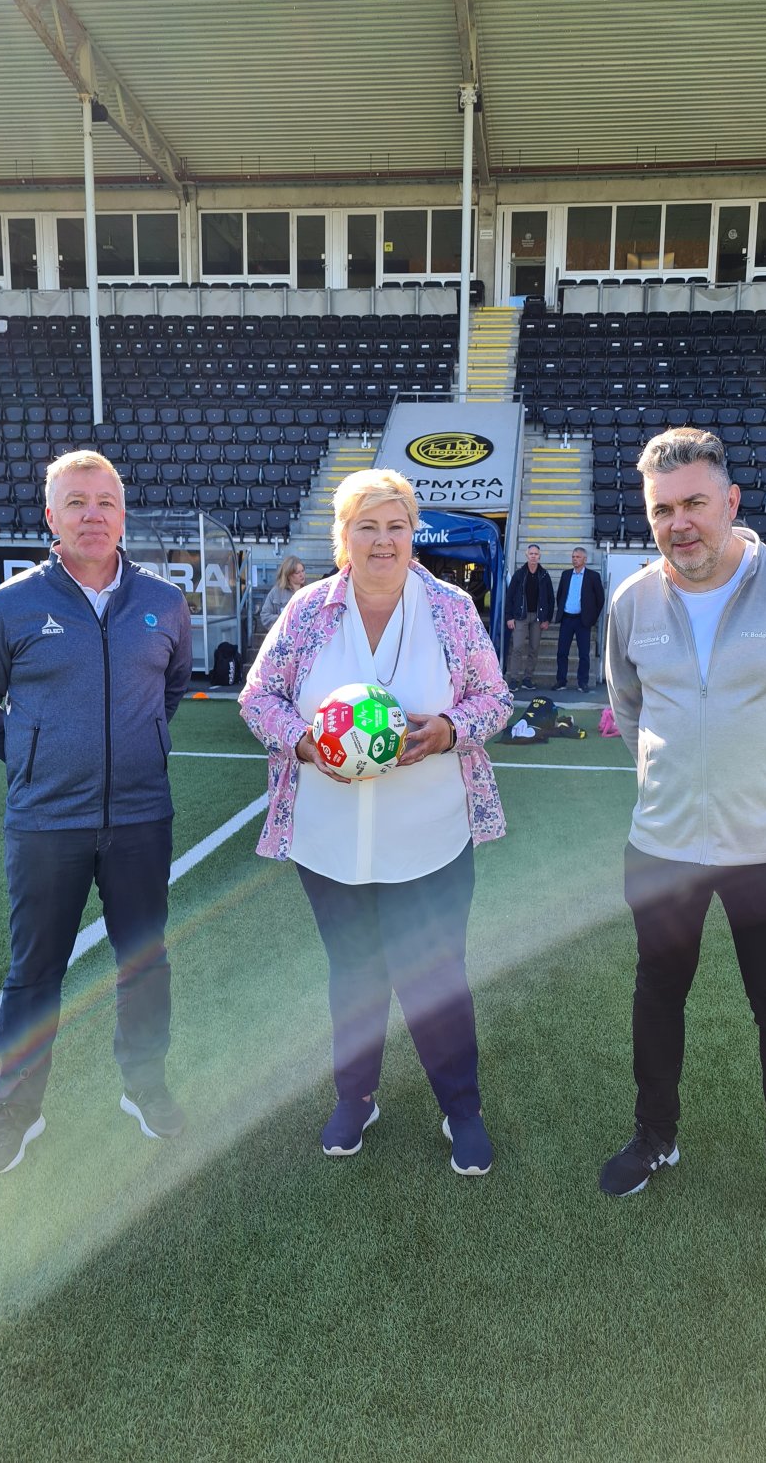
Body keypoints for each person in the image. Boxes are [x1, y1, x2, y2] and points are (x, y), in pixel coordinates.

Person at [602, 427, 766, 1250]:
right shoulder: (633, 600)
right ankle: (656, 1135)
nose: (680, 523)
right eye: (662, 509)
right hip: (665, 843)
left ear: (731, 503)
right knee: (656, 994)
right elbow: (631, 708)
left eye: (695, 504)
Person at [239, 468, 512, 1176]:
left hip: (431, 838)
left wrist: (450, 730)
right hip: (330, 842)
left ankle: (462, 1110)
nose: (383, 540)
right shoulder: (307, 612)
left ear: (412, 535)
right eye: (368, 526)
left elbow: (495, 698)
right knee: (353, 975)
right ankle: (355, 1097)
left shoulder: (450, 609)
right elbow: (258, 697)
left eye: (396, 526)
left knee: (436, 978)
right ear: (343, 539)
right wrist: (301, 740)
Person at [0, 450, 192, 1176]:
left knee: (144, 963)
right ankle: (17, 1112)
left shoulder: (165, 601)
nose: (93, 514)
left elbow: (172, 691)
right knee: (34, 974)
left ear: (123, 514)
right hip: (45, 823)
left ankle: (144, 1087)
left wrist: (133, 752)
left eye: (106, 502)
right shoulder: (11, 605)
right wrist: (37, 760)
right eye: (77, 502)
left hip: (142, 819)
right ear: (49, 517)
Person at [553, 546, 604, 693]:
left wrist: (591, 618)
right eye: (573, 557)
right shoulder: (566, 575)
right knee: (562, 652)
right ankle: (561, 681)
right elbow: (560, 595)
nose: (575, 559)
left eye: (578, 557)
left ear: (585, 559)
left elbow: (600, 599)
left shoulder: (593, 576)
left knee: (584, 654)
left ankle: (583, 682)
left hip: (583, 621)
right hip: (567, 619)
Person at [504, 542, 554, 689]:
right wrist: (509, 617)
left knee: (534, 648)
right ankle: (514, 679)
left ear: (539, 556)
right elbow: (510, 597)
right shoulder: (519, 574)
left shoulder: (544, 575)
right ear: (526, 555)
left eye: (536, 554)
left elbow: (551, 599)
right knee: (517, 647)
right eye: (531, 554)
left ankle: (527, 678)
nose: (533, 556)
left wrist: (547, 619)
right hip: (521, 617)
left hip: (538, 618)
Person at [259, 554, 307, 631]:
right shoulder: (276, 592)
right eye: (297, 573)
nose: (302, 575)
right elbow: (265, 616)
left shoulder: (308, 591)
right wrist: (283, 619)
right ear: (288, 575)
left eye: (303, 571)